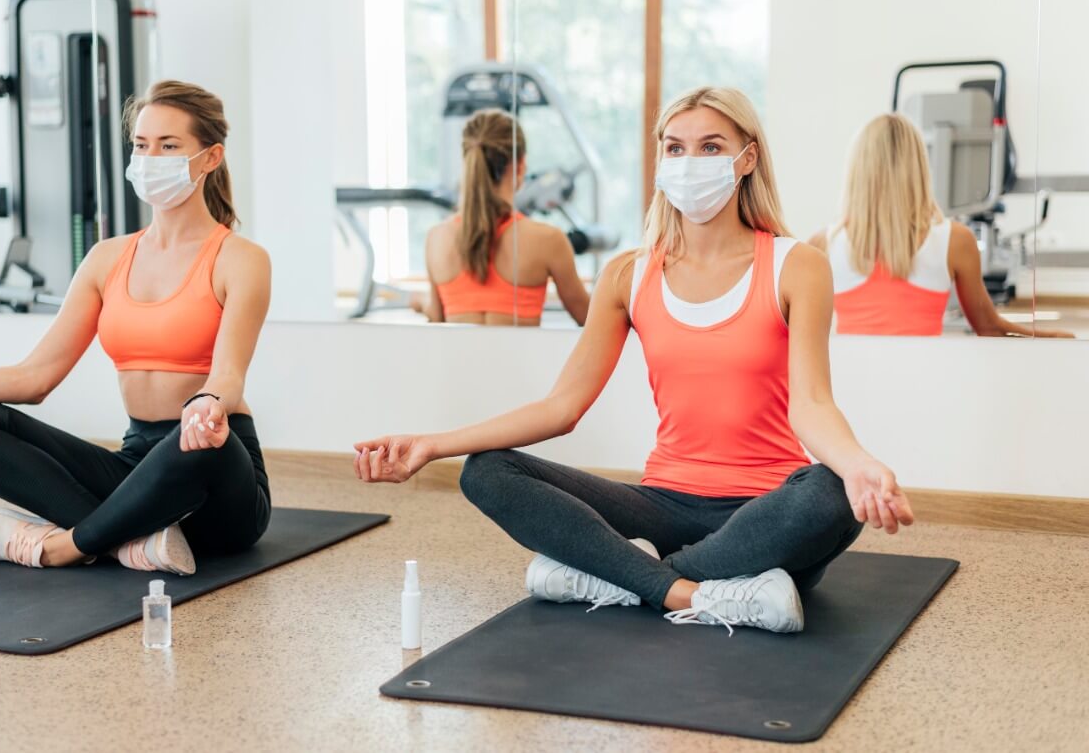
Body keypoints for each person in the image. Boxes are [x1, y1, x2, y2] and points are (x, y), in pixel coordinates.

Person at [355, 87, 914, 635]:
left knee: (830, 492)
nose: (690, 162)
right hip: (660, 505)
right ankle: (690, 590)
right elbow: (562, 407)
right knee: (487, 470)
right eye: (675, 148)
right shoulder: (629, 274)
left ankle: (619, 576)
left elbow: (812, 405)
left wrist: (858, 463)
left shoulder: (798, 266)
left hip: (760, 516)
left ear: (748, 158)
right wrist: (434, 445)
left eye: (711, 147)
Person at [0, 80, 272, 575]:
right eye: (142, 145)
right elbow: (33, 379)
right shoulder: (107, 259)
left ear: (209, 158)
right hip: (134, 464)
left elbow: (228, 376)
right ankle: (134, 541)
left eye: (169, 146)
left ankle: (67, 546)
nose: (150, 158)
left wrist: (208, 404)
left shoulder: (241, 259)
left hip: (218, 480)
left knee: (202, 443)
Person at [809, 112, 1072, 337]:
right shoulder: (955, 240)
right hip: (927, 385)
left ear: (857, 170)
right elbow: (990, 328)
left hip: (853, 388)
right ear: (919, 168)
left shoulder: (823, 244)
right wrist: (1054, 338)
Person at [419, 109, 590, 326]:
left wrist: (420, 302)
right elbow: (589, 318)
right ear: (520, 166)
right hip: (521, 361)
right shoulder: (549, 240)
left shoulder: (436, 238)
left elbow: (436, 317)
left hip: (457, 361)